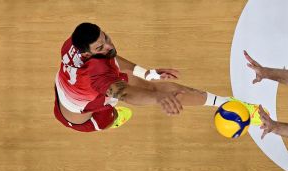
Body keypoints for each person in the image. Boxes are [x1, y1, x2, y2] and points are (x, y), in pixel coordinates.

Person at [54, 23, 263, 132]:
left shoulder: (75, 43)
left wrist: (146, 73)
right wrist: (157, 99)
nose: (108, 45)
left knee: (157, 87)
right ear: (88, 53)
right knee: (109, 118)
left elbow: (111, 59)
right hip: (81, 115)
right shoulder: (96, 76)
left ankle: (230, 104)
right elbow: (125, 93)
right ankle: (114, 117)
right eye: (100, 46)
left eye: (105, 37)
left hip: (72, 85)